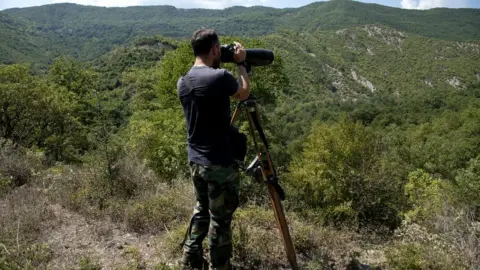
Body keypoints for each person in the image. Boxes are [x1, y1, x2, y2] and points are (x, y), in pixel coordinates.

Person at [176, 28, 251, 270]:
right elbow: (244, 92)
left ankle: (190, 256)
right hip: (218, 162)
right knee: (220, 219)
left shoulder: (183, 81)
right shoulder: (219, 77)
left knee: (201, 209)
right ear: (215, 49)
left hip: (195, 161)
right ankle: (220, 265)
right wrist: (241, 64)